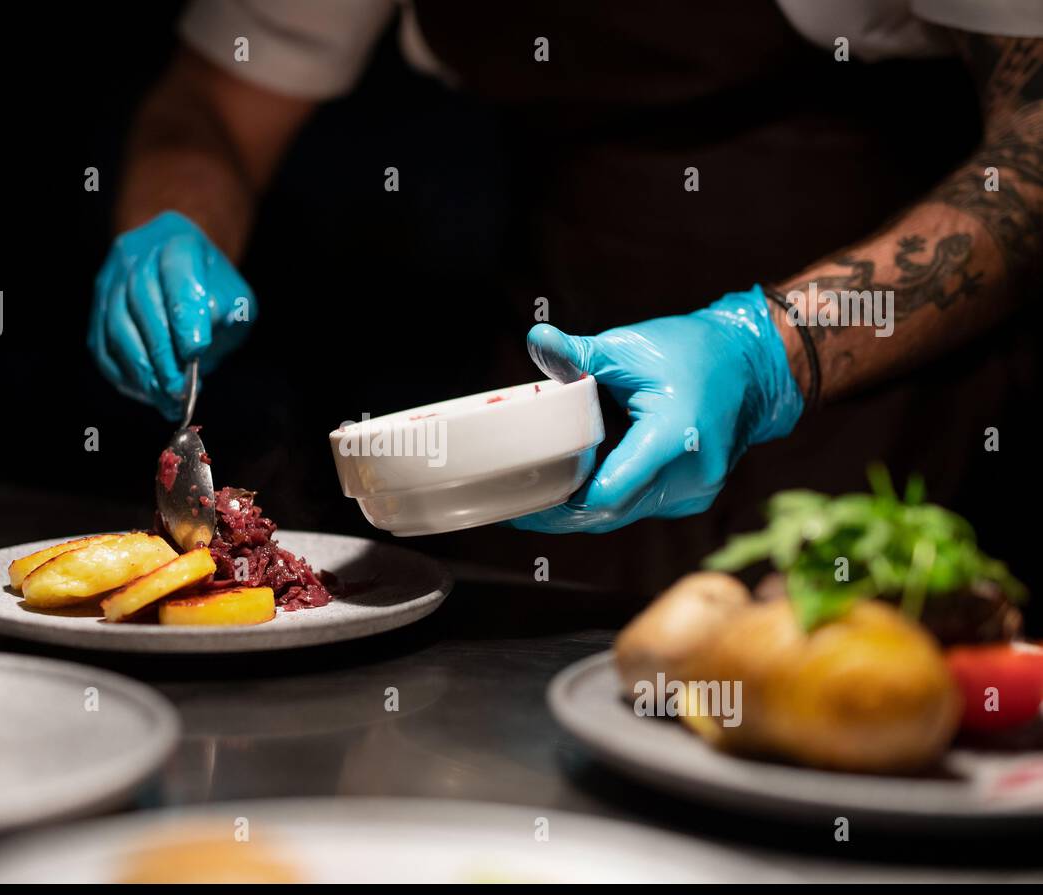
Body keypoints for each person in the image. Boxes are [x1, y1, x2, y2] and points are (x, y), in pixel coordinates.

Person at [88, 1, 1041, 562]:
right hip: (554, 360)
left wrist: (768, 354)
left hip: (880, 391)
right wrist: (172, 230)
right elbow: (215, 98)